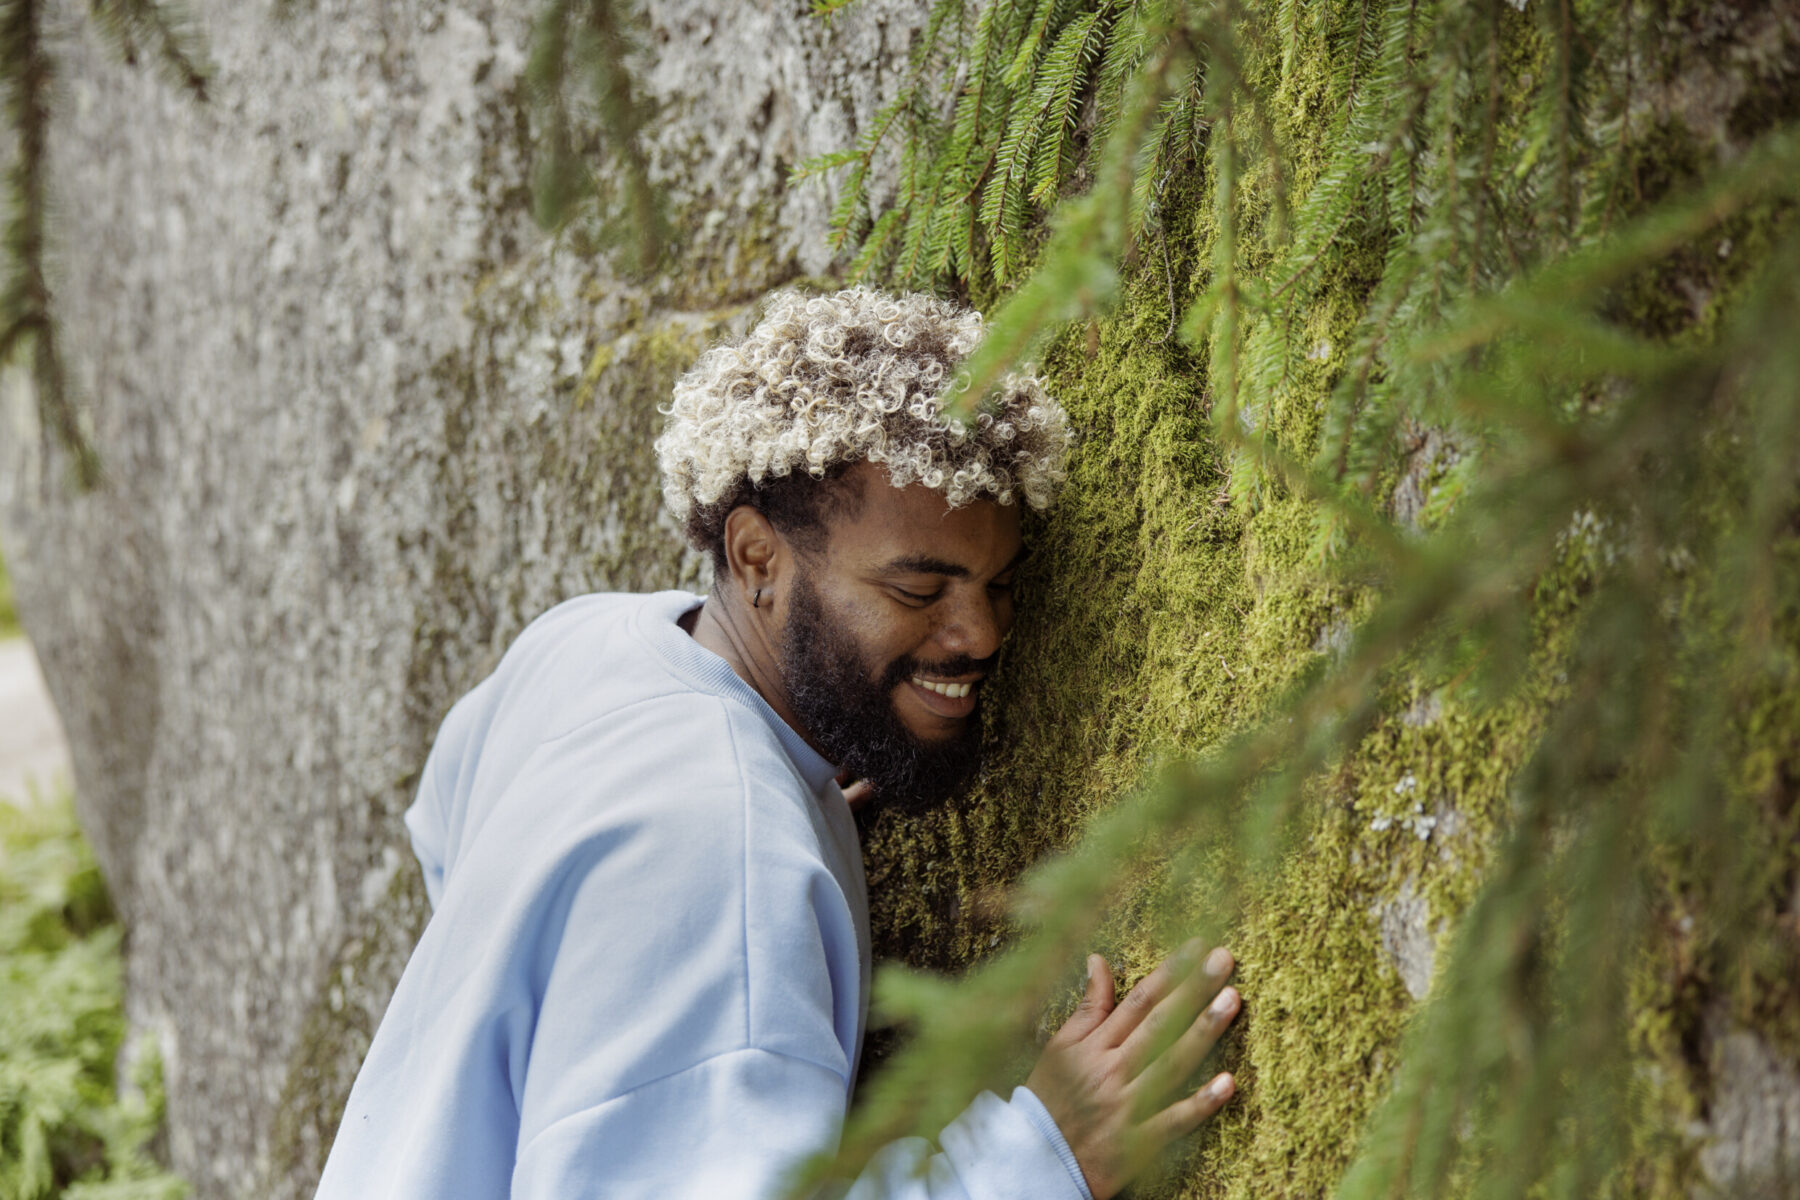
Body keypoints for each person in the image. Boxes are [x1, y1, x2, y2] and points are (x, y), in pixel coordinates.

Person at [314, 288, 1241, 1199]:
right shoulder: (727, 852)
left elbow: (448, 817)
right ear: (759, 558)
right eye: (919, 591)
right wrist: (1036, 1160)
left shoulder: (588, 641)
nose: (982, 634)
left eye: (997, 585)